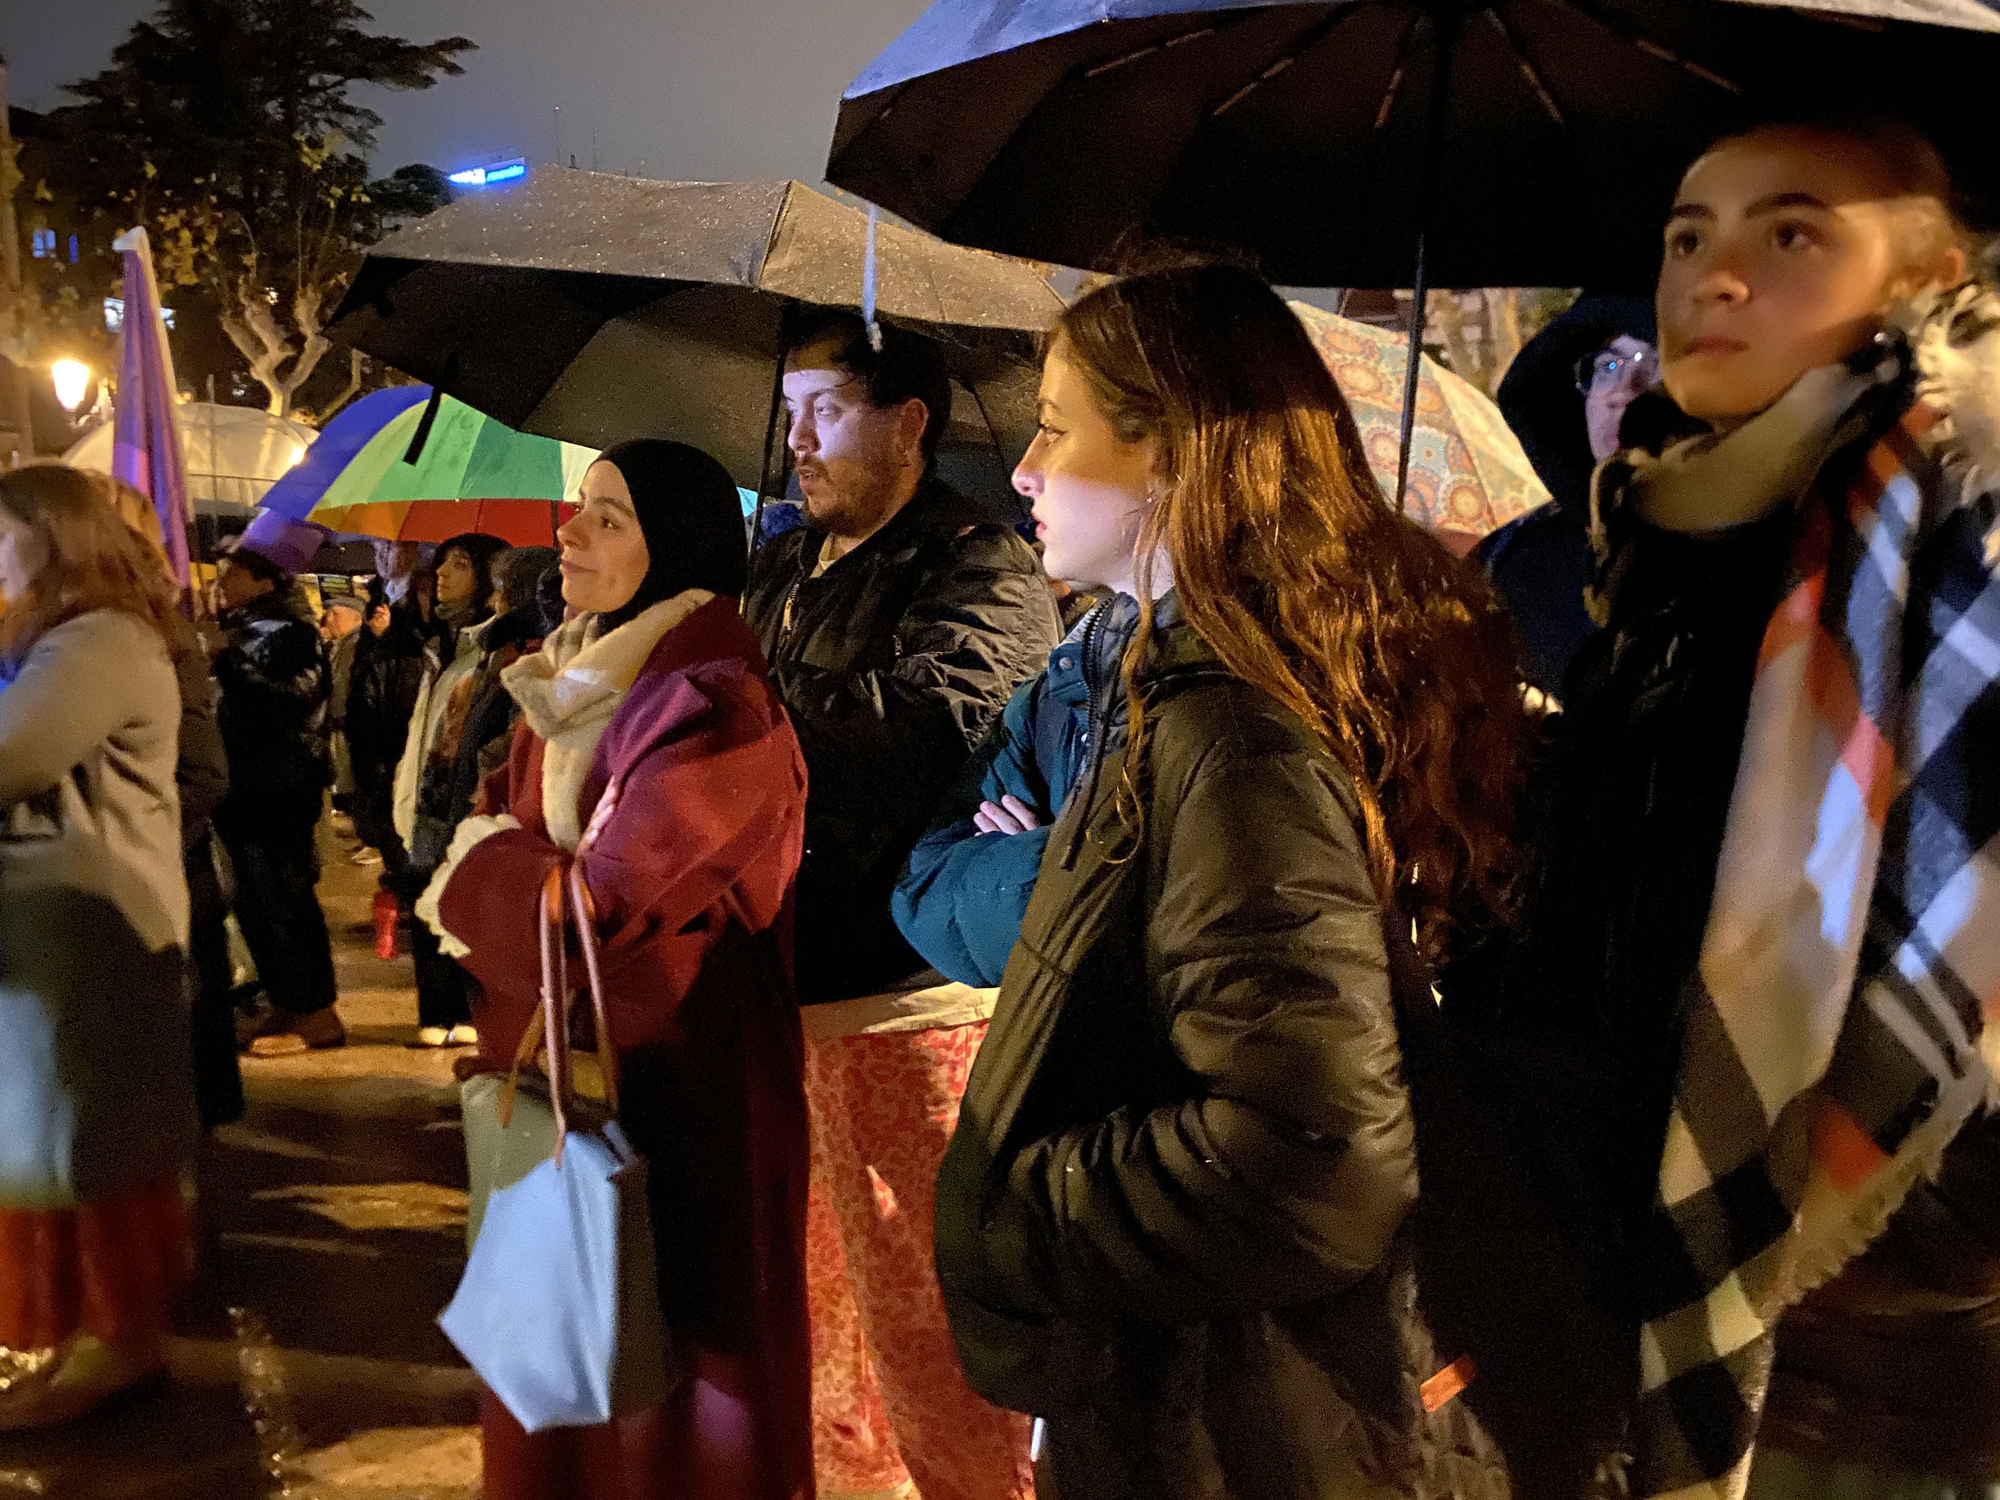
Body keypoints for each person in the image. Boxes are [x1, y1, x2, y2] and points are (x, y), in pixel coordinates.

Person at [932, 264, 1527, 1500]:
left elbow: (1313, 1158)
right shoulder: (1208, 682)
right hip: (1274, 1392)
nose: (1025, 469)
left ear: (1172, 452)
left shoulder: (1232, 735)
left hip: (1246, 1413)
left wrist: (1014, 1205)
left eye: (1054, 424)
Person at [1496, 117, 2000, 1500]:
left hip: (1871, 1324)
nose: (1713, 277)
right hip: (1626, 1249)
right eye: (1685, 237)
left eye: (1789, 235)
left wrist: (1916, 1242)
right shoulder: (1671, 539)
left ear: (1925, 277)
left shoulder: (1969, 540)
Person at [419, 440, 811, 1500]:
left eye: (609, 516)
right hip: (571, 1078)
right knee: (566, 1353)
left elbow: (595, 903)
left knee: (679, 1386)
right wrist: (506, 861)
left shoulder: (717, 704)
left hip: (683, 1103)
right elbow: (505, 830)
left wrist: (477, 871)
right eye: (580, 507)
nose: (570, 532)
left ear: (673, 545)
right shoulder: (578, 680)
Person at [741, 309, 1058, 1500]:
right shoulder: (777, 564)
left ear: (907, 422)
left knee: (933, 1332)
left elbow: (933, 731)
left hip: (913, 1006)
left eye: (825, 409)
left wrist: (738, 731)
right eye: (789, 415)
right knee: (825, 1331)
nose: (800, 441)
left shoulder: (973, 561)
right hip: (789, 995)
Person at [0, 464, 199, 1428]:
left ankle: (119, 1342)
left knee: (93, 1148)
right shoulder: (62, 638)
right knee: (55, 1146)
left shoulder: (99, 640)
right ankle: (75, 1336)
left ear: (53, 540)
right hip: (60, 938)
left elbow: (11, 754)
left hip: (95, 941)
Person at [893, 590, 1138, 989]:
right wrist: (1044, 865)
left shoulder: (1210, 696)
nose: (1040, 524)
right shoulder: (1057, 686)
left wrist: (1029, 859)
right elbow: (921, 892)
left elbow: (1133, 917)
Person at [100, 477, 239, 1129]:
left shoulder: (160, 640)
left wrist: (135, 841)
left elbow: (204, 775)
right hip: (144, 877)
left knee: (177, 1087)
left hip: (166, 879)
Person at [1477, 295, 1661, 697]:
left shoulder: (1793, 553)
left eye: (1658, 363)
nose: (1621, 392)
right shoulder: (1515, 569)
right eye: (1608, 365)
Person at [212, 511, 340, 1058]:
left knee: (283, 901)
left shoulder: (290, 635)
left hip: (276, 794)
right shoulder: (245, 630)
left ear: (266, 581)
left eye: (234, 574)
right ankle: (288, 1001)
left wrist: (227, 662)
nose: (223, 583)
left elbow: (288, 701)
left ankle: (316, 1014)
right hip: (247, 793)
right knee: (259, 904)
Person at [389, 531, 508, 1047]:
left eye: (458, 564)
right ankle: (436, 1009)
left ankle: (462, 1008)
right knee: (423, 901)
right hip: (427, 802)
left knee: (458, 906)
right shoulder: (442, 645)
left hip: (460, 805)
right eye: (440, 563)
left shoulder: (492, 652)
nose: (441, 574)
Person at [321, 592, 366, 816]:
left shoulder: (356, 645)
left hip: (349, 725)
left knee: (353, 781)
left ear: (357, 618)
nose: (329, 619)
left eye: (336, 614)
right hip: (343, 724)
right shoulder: (343, 645)